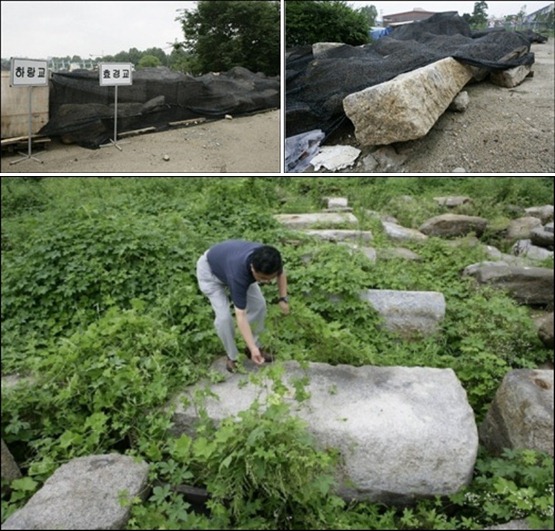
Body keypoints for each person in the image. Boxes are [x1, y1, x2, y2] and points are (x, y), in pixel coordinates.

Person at [196, 240, 290, 373]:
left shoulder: (270, 259)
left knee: (259, 305)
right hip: (210, 273)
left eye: (270, 278)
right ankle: (232, 356)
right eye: (263, 278)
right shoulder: (239, 275)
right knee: (224, 318)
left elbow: (280, 273)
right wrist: (253, 349)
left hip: (228, 263)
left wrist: (283, 298)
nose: (267, 282)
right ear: (252, 268)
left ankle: (254, 346)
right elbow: (241, 315)